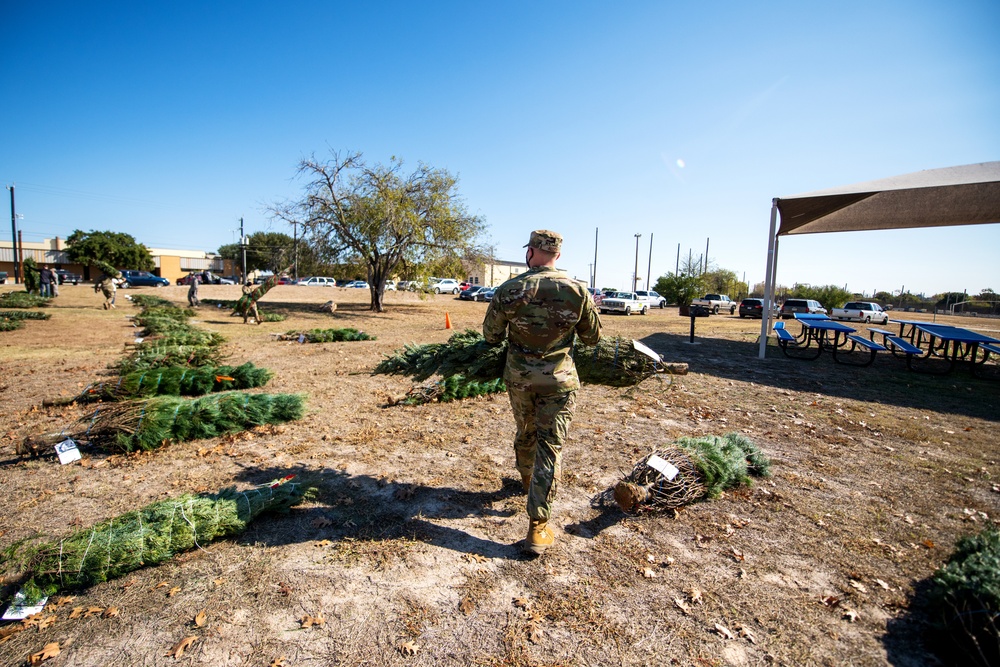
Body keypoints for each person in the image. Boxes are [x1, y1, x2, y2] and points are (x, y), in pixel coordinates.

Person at [482, 230, 602, 555]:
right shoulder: (578, 291)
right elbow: (592, 339)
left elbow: (491, 336)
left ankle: (526, 481)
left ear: (531, 252)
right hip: (559, 382)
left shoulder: (509, 289)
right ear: (558, 255)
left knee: (526, 432)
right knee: (550, 447)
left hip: (519, 380)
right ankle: (538, 527)